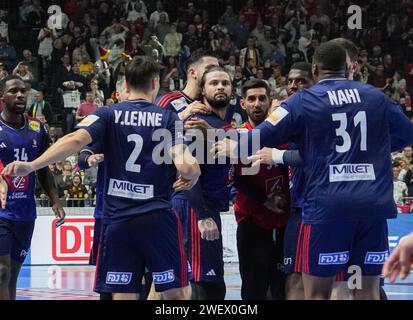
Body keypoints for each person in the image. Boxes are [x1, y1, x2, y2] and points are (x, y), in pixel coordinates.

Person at [212, 41, 413, 300]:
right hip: (372, 208)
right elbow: (407, 135)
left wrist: (227, 143)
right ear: (347, 67)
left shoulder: (303, 101)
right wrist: (373, 151)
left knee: (317, 293)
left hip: (328, 207)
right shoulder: (376, 97)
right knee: (367, 290)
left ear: (315, 69)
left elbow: (259, 136)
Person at [3, 56, 201, 300]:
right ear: (155, 82)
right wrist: (194, 173)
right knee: (176, 294)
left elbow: (74, 141)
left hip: (117, 222)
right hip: (157, 218)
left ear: (126, 86)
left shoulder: (107, 114)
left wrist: (32, 165)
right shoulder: (168, 118)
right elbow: (185, 164)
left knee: (123, 294)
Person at [0, 75, 65, 300]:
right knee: (2, 271)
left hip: (26, 213)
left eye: (22, 91)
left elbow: (44, 169)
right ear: (2, 96)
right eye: (13, 91)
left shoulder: (37, 128)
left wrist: (55, 199)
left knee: (13, 274)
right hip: (1, 211)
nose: (19, 95)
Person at [233, 79, 290, 300]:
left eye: (262, 98)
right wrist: (263, 199)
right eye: (251, 99)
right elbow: (234, 178)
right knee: (254, 290)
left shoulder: (284, 135)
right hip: (252, 220)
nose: (257, 104)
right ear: (242, 104)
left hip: (285, 221)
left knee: (283, 288)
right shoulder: (236, 136)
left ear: (270, 102)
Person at [181, 66, 234, 300]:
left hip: (208, 207)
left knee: (212, 284)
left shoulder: (221, 124)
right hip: (196, 207)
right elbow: (186, 174)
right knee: (204, 284)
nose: (220, 86)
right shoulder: (197, 123)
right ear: (202, 90)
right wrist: (202, 215)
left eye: (225, 82)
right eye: (214, 83)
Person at [156, 50, 219, 121]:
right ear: (192, 73)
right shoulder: (168, 102)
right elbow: (154, 131)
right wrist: (181, 118)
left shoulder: (217, 104)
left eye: (218, 69)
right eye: (210, 68)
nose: (217, 73)